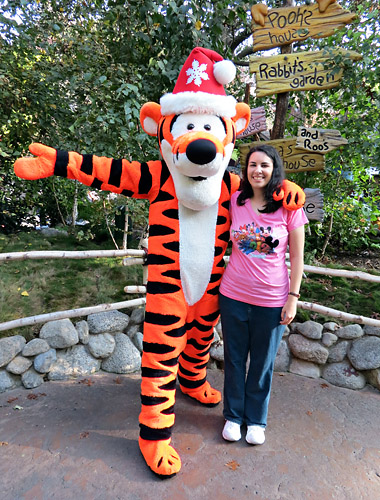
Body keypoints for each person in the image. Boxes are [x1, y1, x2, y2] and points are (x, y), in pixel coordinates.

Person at [219, 144, 308, 445]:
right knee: (233, 359)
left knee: (262, 362)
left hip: (271, 300)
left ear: (275, 171)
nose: (258, 170)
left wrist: (293, 297)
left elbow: (297, 258)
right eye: (252, 164)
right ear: (245, 170)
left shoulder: (289, 208)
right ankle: (233, 415)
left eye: (265, 165)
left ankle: (255, 420)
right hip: (232, 295)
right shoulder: (235, 200)